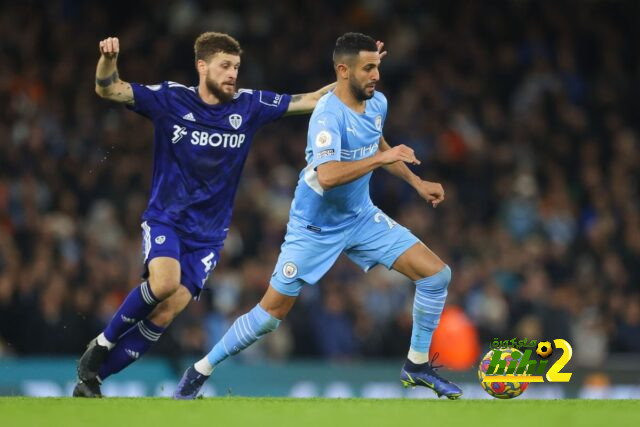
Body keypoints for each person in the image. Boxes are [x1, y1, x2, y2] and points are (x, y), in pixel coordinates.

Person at [74, 32, 385, 398]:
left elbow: (316, 99)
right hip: (167, 218)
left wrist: (360, 72)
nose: (232, 74)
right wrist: (108, 60)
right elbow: (109, 89)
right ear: (201, 66)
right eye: (224, 66)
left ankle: (92, 382)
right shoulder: (171, 99)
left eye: (236, 67)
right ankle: (101, 344)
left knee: (167, 311)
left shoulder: (249, 105)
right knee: (163, 283)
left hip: (209, 235)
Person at [174, 32, 462, 400]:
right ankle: (200, 371)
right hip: (314, 228)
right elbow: (327, 176)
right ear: (343, 71)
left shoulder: (378, 103)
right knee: (269, 316)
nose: (376, 75)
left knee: (437, 275)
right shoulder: (326, 115)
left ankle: (417, 366)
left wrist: (417, 183)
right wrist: (380, 160)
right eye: (368, 68)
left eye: (377, 67)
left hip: (359, 217)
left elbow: (376, 140)